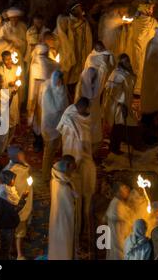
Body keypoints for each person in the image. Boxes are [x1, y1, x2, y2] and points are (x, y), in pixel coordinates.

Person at [57, 97, 96, 236]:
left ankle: (83, 224)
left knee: (83, 189)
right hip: (69, 148)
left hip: (81, 156)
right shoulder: (69, 112)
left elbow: (86, 140)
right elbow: (61, 127)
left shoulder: (86, 120)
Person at [103, 54, 145, 154]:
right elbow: (113, 91)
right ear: (120, 63)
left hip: (126, 103)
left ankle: (121, 144)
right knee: (121, 125)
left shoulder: (126, 72)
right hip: (118, 105)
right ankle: (115, 147)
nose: (127, 63)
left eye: (128, 60)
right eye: (125, 61)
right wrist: (121, 104)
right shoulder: (117, 74)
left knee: (123, 125)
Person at [2, 146, 33, 260]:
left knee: (15, 229)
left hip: (14, 206)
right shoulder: (16, 171)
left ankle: (15, 251)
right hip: (16, 206)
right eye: (22, 154)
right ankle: (17, 252)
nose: (24, 156)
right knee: (17, 230)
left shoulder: (12, 169)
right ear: (17, 156)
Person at [27, 43, 59, 152]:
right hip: (50, 96)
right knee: (47, 117)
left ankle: (39, 141)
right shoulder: (54, 64)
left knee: (38, 119)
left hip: (38, 97)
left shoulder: (35, 63)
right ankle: (47, 140)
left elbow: (33, 84)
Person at [48, 156, 78, 260]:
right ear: (68, 166)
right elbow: (69, 208)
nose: (73, 171)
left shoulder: (55, 179)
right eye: (73, 167)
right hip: (63, 219)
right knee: (64, 240)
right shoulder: (64, 187)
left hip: (56, 218)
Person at [0, 170, 28, 260]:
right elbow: (15, 209)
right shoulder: (3, 194)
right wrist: (23, 199)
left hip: (8, 221)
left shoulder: (7, 190)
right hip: (6, 222)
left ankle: (7, 254)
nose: (14, 181)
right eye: (13, 179)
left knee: (7, 242)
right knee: (5, 244)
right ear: (7, 180)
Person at [41, 70, 69, 181]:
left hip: (59, 122)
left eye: (61, 81)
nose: (59, 83)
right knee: (49, 150)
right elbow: (54, 108)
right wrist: (60, 93)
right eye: (58, 80)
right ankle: (45, 174)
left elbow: (65, 104)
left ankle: (52, 171)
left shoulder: (61, 87)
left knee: (54, 150)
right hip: (50, 123)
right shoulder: (47, 89)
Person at [127, 3, 158, 93]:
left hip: (137, 49)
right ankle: (143, 87)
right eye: (151, 8)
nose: (152, 10)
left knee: (137, 66)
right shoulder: (153, 22)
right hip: (148, 50)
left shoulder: (135, 21)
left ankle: (137, 88)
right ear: (147, 9)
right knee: (145, 67)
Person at [75, 65, 102, 154]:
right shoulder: (81, 86)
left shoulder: (96, 84)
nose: (93, 79)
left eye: (94, 77)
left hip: (94, 114)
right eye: (92, 78)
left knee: (94, 134)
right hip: (85, 115)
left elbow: (96, 97)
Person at [0, 51, 20, 144]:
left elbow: (18, 81)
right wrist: (8, 84)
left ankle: (9, 139)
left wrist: (16, 83)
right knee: (4, 119)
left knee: (13, 118)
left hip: (14, 96)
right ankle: (3, 140)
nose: (9, 61)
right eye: (6, 59)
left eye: (10, 59)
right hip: (4, 97)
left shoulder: (16, 68)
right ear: (3, 60)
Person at [105, 182, 133, 260]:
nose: (127, 191)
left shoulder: (121, 203)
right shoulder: (116, 204)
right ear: (118, 192)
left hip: (121, 241)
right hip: (118, 242)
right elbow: (128, 220)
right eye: (124, 188)